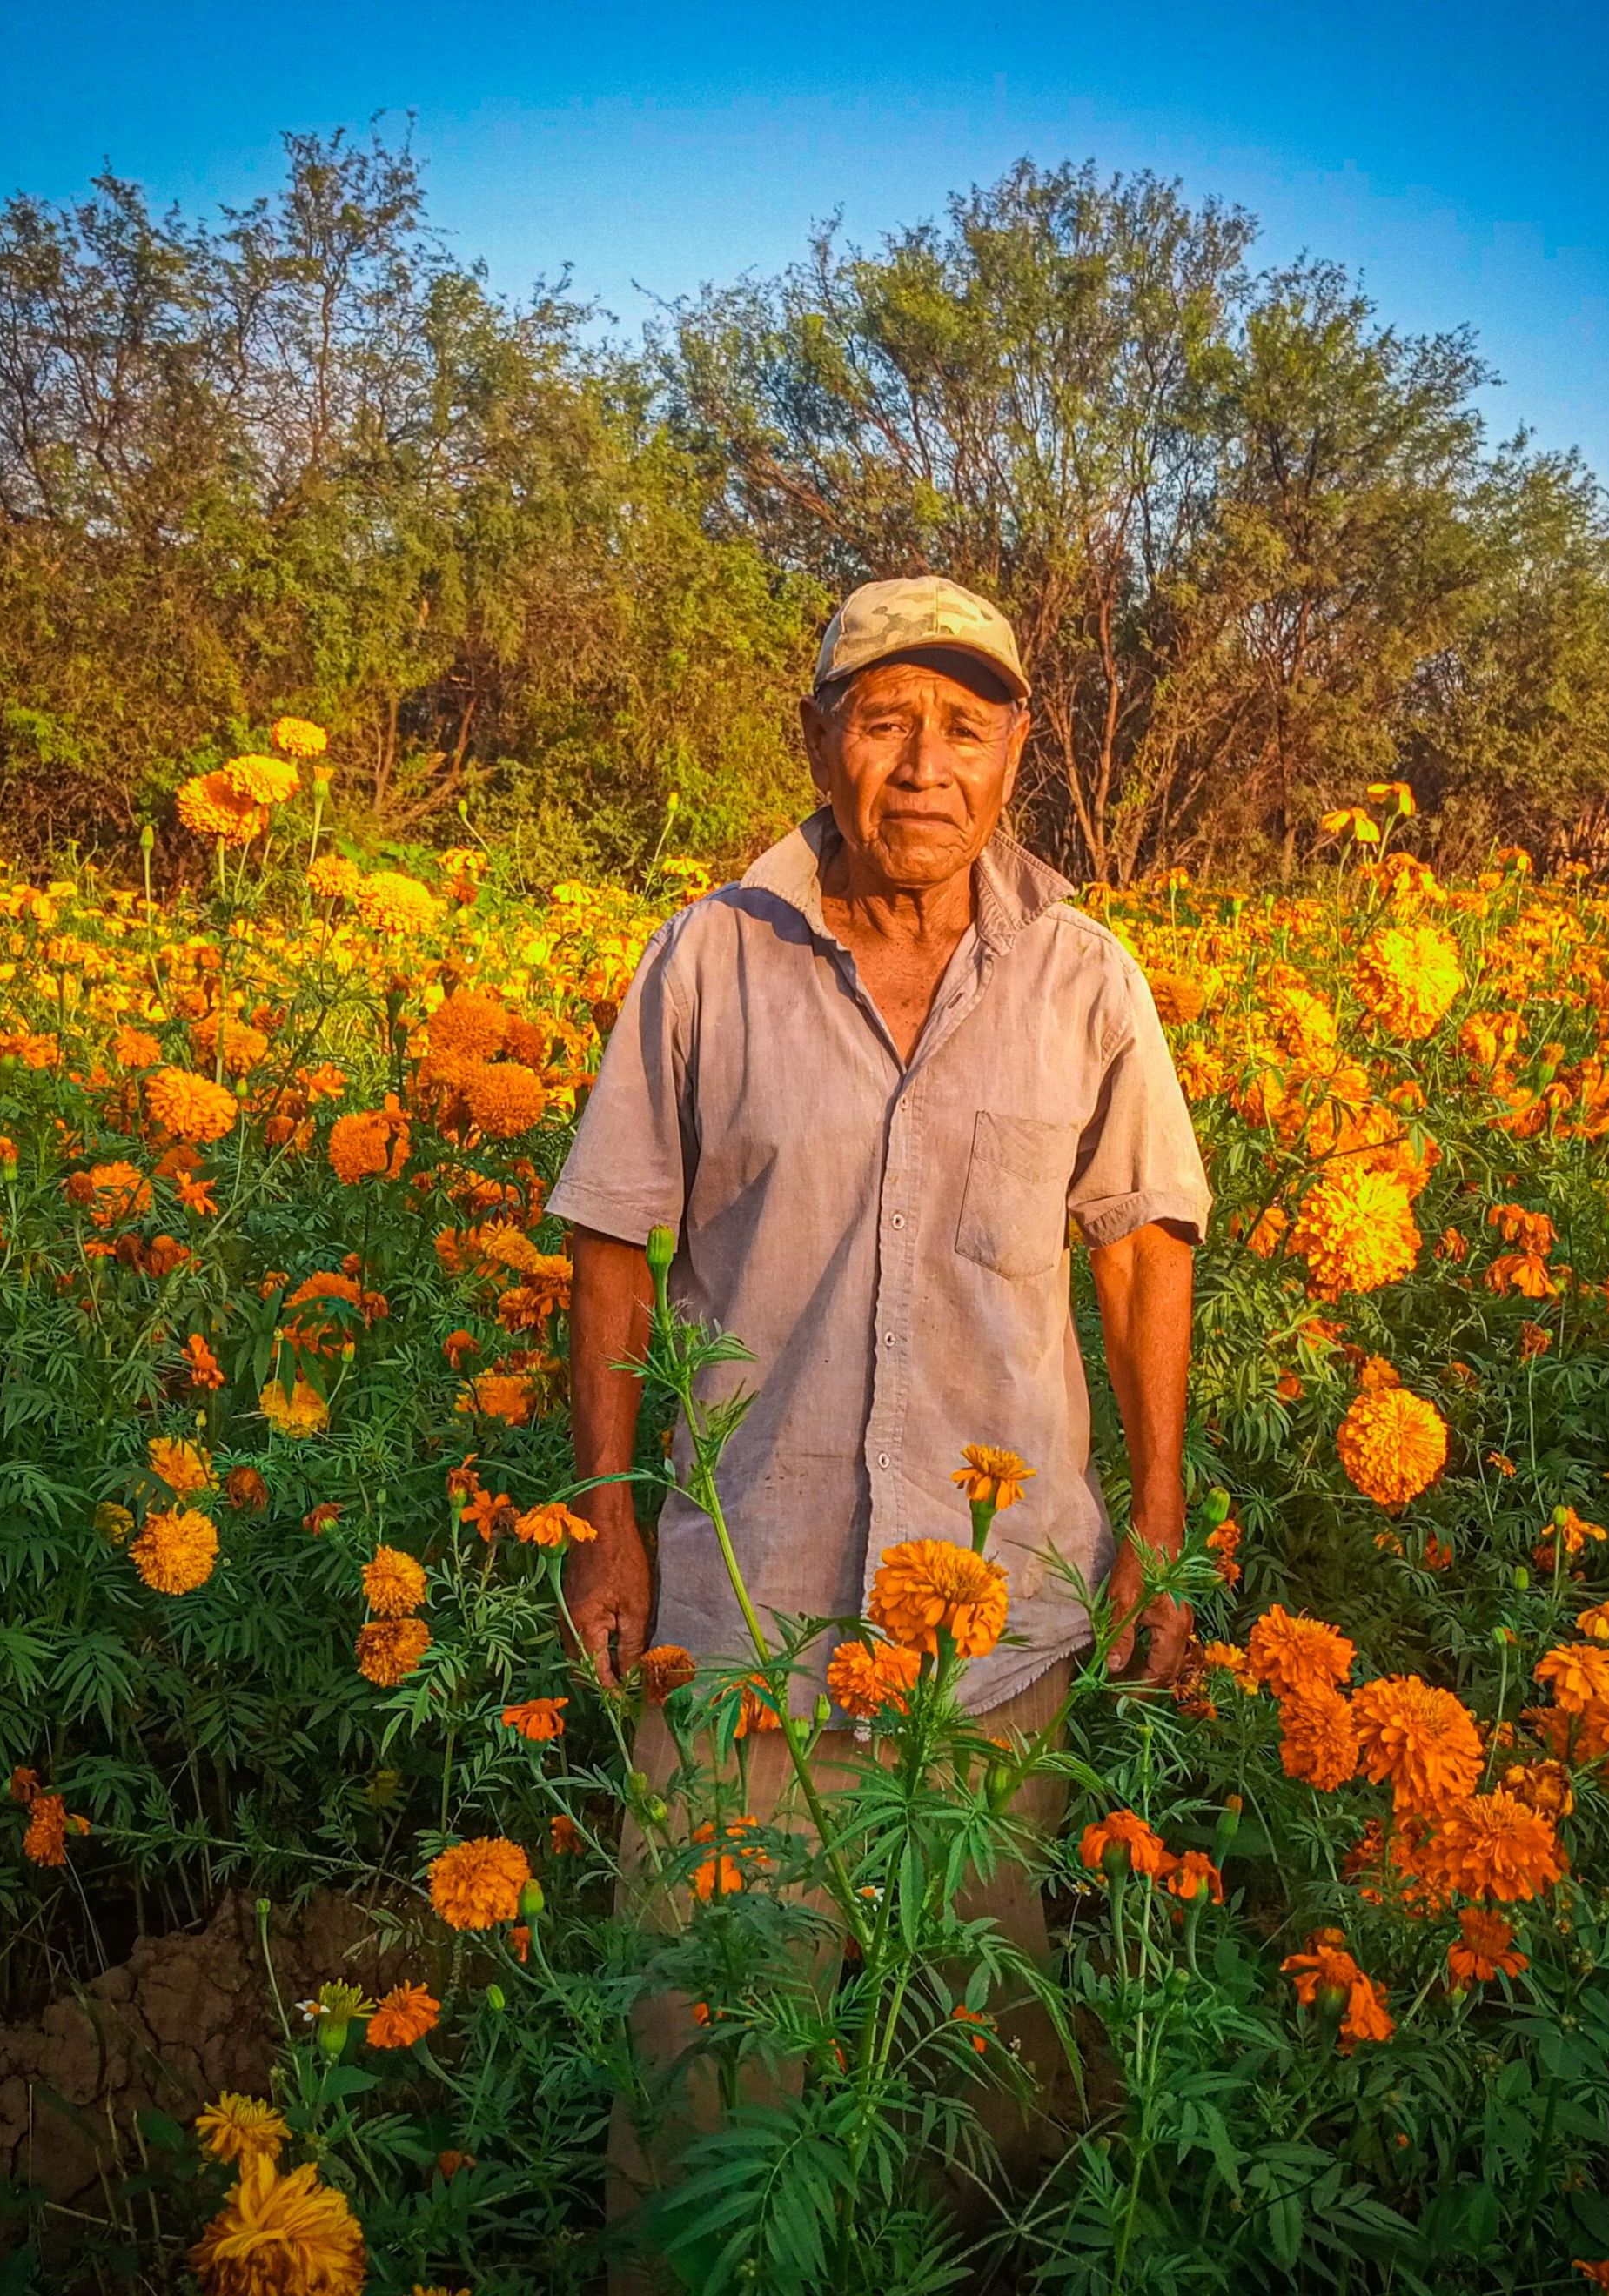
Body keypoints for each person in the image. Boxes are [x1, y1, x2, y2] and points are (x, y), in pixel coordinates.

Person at [543, 571, 1211, 2225]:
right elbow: (613, 1247)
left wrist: (1161, 1527)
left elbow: (1143, 1253)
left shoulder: (1082, 977)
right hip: (739, 1637)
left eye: (964, 729)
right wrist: (613, 1530)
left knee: (988, 2076)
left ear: (1016, 756)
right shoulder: (709, 957)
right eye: (885, 721)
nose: (924, 766)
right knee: (704, 2093)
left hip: (997, 1659)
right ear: (819, 741)